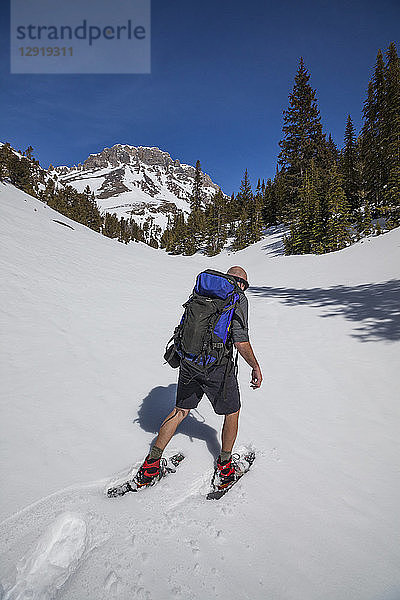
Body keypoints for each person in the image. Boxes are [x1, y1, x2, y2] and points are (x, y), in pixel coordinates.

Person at [136, 266, 262, 488]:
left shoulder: (203, 291)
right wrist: (255, 366)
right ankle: (225, 467)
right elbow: (241, 341)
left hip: (189, 361)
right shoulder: (237, 297)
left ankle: (151, 465)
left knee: (180, 411)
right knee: (232, 412)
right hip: (217, 368)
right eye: (245, 285)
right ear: (241, 283)